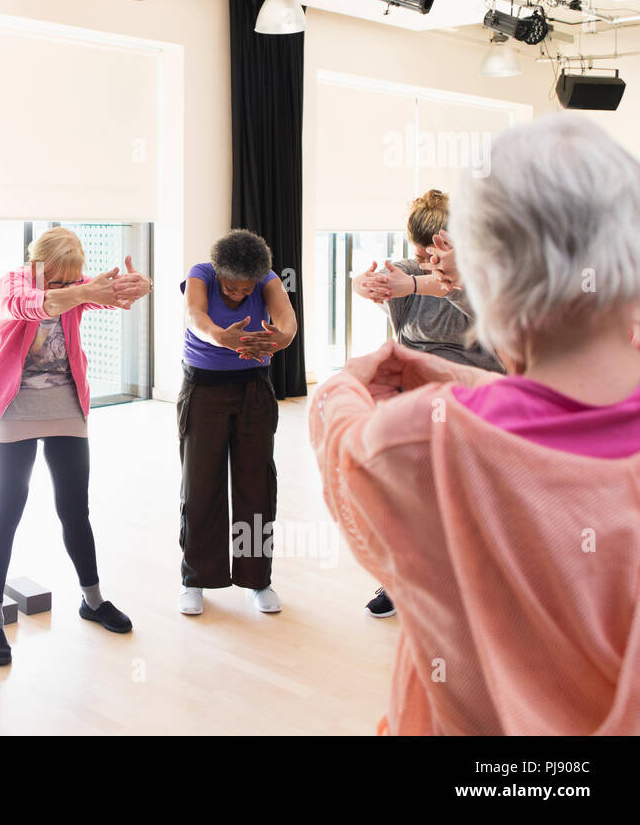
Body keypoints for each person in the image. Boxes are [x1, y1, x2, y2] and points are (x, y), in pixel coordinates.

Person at [310, 114, 640, 735]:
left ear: (478, 278)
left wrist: (341, 385)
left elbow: (344, 454)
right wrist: (467, 382)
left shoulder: (420, 442)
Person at [0, 227, 151, 665]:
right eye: (56, 278)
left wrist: (134, 288)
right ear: (38, 263)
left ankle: (91, 601)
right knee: (5, 510)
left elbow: (103, 297)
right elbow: (41, 304)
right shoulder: (14, 282)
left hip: (67, 406)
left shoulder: (72, 286)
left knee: (75, 508)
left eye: (70, 279)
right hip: (14, 405)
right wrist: (83, 292)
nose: (64, 286)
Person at [349, 190, 504, 619]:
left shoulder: (486, 277)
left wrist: (421, 283)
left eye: (433, 253)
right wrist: (369, 284)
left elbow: (493, 320)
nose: (423, 261)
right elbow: (367, 280)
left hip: (476, 395)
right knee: (403, 496)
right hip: (416, 397)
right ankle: (399, 580)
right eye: (418, 252)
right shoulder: (410, 268)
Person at [177, 229, 298, 617]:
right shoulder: (201, 274)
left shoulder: (266, 281)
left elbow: (287, 322)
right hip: (204, 389)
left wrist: (277, 340)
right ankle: (196, 579)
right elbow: (194, 316)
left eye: (246, 289)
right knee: (201, 486)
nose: (238, 293)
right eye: (231, 286)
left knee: (256, 486)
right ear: (218, 272)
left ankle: (257, 579)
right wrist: (220, 338)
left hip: (253, 392)